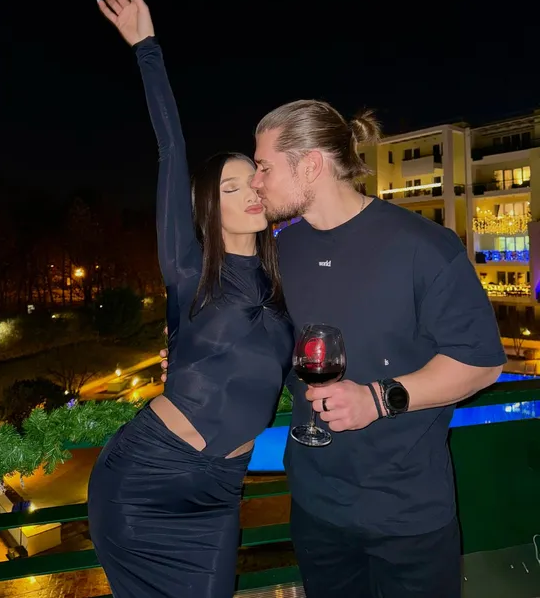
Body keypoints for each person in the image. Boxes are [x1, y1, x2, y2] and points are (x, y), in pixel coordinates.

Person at [161, 102, 506, 597]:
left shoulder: (426, 247)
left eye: (264, 167)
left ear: (310, 165)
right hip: (315, 510)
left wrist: (378, 398)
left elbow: (482, 362)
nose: (256, 182)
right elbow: (254, 340)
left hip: (408, 515)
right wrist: (197, 360)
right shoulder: (279, 254)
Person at [88, 0, 294, 598]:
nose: (250, 192)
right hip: (145, 480)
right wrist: (145, 47)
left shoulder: (283, 280)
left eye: (253, 180)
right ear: (208, 206)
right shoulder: (188, 268)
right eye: (230, 187)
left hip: (220, 492)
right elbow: (171, 147)